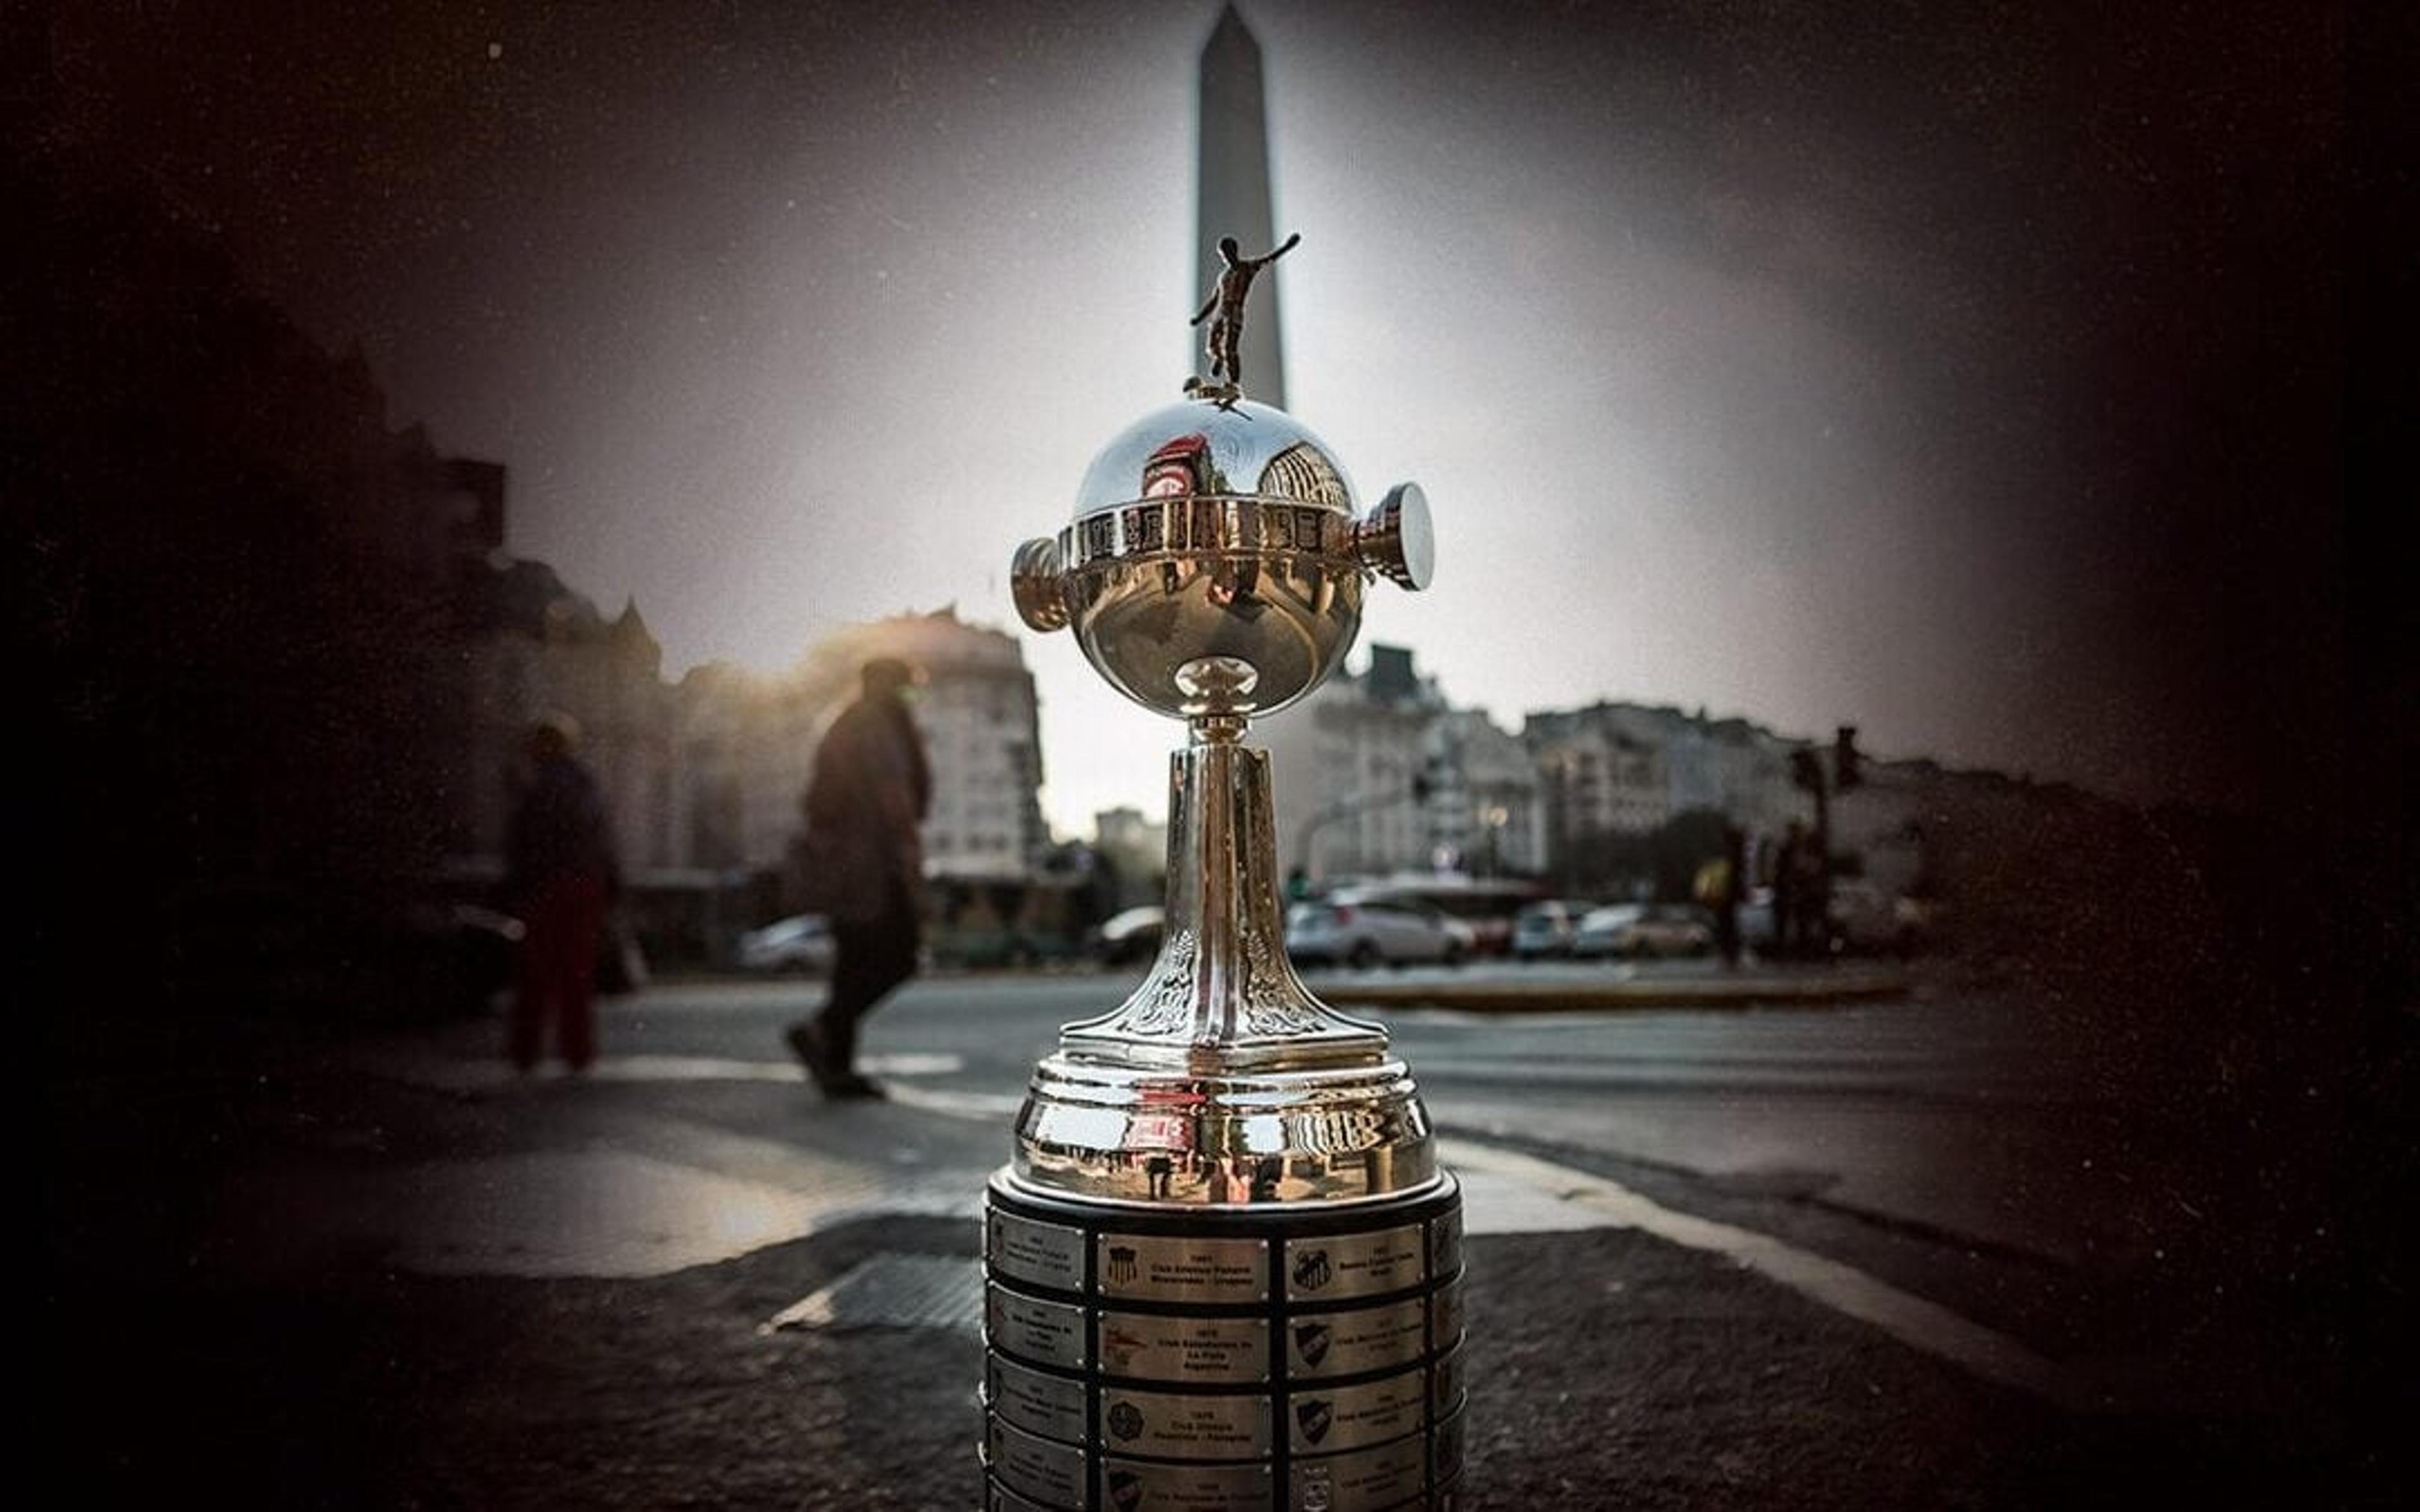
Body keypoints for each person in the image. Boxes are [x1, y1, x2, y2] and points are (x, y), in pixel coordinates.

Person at [785, 658, 931, 1099]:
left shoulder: (847, 722)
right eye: (907, 690)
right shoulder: (875, 724)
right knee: (901, 956)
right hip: (871, 864)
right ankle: (821, 1029)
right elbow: (894, 794)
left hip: (842, 865)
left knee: (852, 965)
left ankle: (837, 1068)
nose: (912, 700)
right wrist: (910, 856)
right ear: (888, 687)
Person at [501, 713, 620, 1073]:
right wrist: (611, 886)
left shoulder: (538, 787)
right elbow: (603, 839)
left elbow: (523, 841)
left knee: (536, 973)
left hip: (547, 885)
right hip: (584, 884)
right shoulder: (586, 784)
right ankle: (577, 1052)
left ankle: (527, 1053)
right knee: (576, 973)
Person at [1189, 232, 1299, 391]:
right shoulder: (1223, 276)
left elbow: (1269, 259)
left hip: (1235, 311)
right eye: (1223, 255)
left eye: (1228, 253)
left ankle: (1233, 384)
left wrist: (1288, 246)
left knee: (1230, 349)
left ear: (1234, 251)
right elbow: (1214, 300)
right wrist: (1199, 318)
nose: (1226, 258)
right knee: (1212, 346)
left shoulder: (1247, 267)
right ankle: (1219, 358)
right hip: (1220, 312)